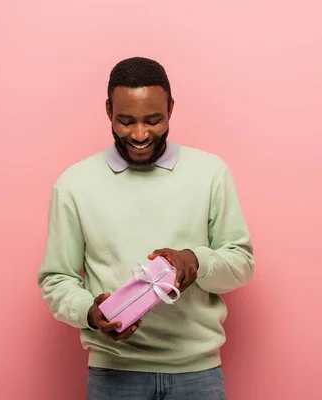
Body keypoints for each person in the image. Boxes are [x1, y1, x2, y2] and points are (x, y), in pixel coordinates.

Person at [37, 56, 254, 400]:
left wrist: (196, 262)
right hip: (114, 375)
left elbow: (241, 264)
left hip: (196, 376)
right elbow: (57, 278)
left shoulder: (211, 173)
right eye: (126, 121)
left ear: (171, 109)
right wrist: (91, 313)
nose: (140, 134)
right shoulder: (75, 184)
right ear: (109, 110)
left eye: (153, 120)